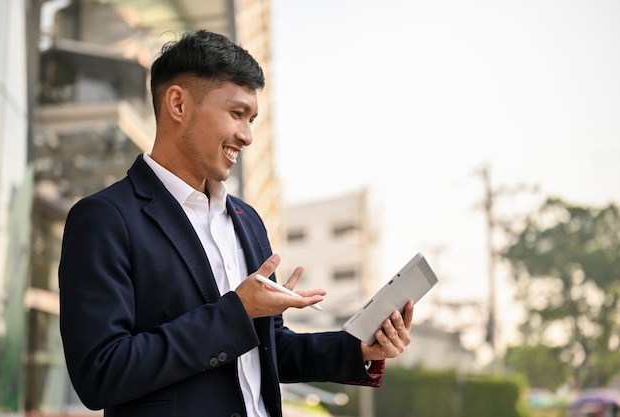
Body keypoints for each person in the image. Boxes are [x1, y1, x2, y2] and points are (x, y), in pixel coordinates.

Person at [58, 29, 414, 417]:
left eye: (253, 119)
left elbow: (269, 347)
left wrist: (358, 346)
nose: (246, 136)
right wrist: (237, 312)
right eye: (236, 113)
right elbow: (100, 373)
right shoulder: (105, 219)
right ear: (177, 104)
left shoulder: (246, 220)